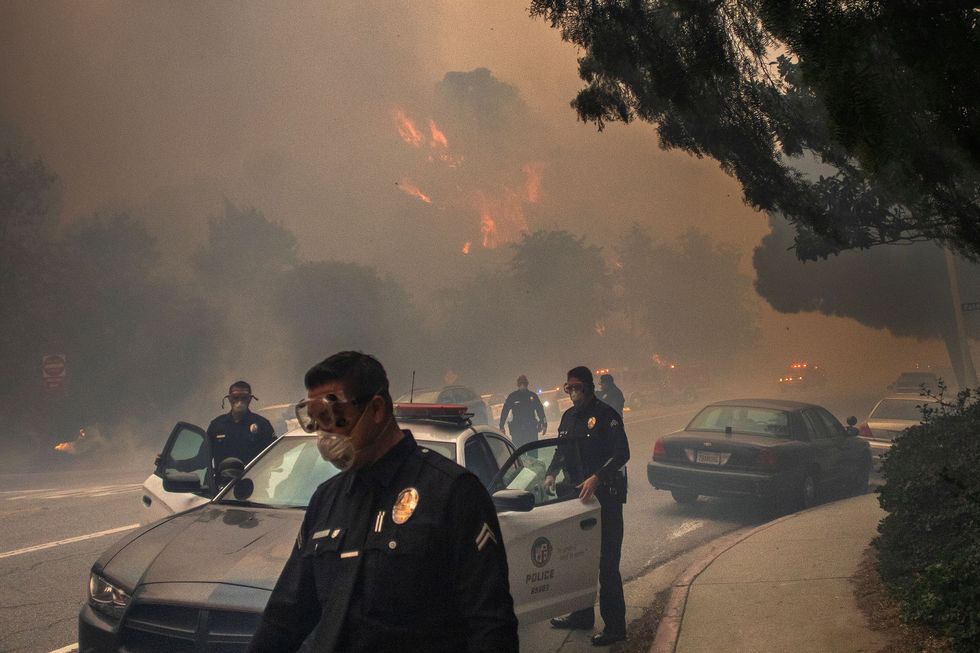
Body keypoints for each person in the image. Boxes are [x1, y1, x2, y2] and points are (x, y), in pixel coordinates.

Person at [247, 351, 518, 653]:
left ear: (375, 410)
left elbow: (490, 626)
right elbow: (285, 615)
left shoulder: (452, 493)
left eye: (332, 418)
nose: (324, 435)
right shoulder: (327, 500)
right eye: (317, 422)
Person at [545, 366, 630, 646]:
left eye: (577, 387)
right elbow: (561, 449)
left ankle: (615, 627)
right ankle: (581, 615)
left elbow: (622, 453)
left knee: (606, 564)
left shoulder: (607, 415)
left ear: (589, 387)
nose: (572, 393)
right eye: (568, 388)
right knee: (578, 559)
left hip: (605, 498)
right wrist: (550, 472)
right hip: (577, 499)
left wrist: (597, 477)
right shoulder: (569, 417)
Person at [206, 381, 276, 468]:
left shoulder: (262, 425)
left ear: (250, 399)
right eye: (235, 397)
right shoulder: (217, 425)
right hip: (223, 481)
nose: (239, 401)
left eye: (244, 397)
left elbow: (274, 458)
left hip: (254, 480)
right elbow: (203, 458)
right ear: (229, 399)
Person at [498, 374, 547, 447]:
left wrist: (544, 424)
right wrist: (501, 425)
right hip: (517, 431)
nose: (522, 385)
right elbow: (505, 411)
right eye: (521, 384)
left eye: (524, 384)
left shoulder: (533, 396)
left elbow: (540, 411)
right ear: (518, 385)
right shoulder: (513, 396)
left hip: (531, 430)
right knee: (519, 455)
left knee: (532, 454)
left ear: (527, 384)